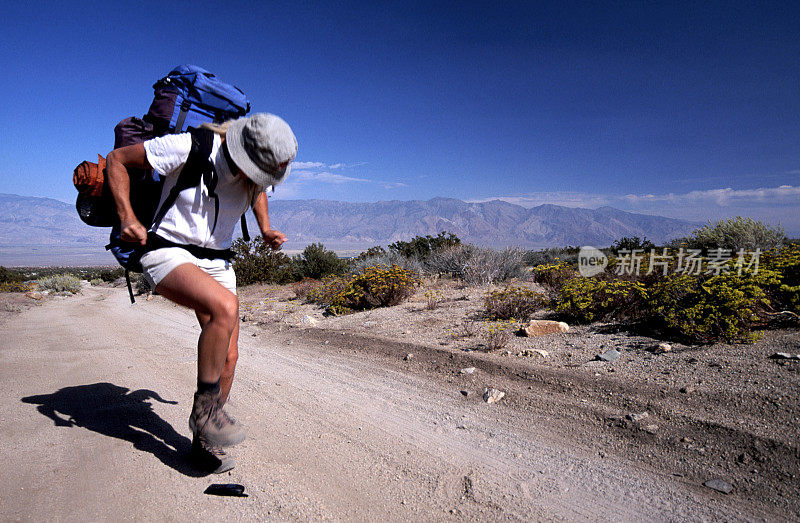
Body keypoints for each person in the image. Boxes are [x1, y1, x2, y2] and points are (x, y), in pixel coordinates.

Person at [105, 113, 298, 473]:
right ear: (243, 156)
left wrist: (266, 228)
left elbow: (256, 192)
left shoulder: (256, 174)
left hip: (217, 259)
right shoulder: (188, 147)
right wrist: (128, 215)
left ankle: (203, 441)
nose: (260, 182)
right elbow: (116, 161)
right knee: (225, 306)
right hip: (168, 249)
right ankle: (206, 411)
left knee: (229, 357)